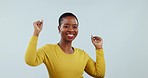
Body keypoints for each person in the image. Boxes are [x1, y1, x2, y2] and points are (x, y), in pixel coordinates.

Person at [25, 12, 105, 78]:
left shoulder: (82, 54)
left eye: (74, 27)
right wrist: (36, 33)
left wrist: (99, 48)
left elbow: (99, 74)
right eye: (66, 26)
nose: (71, 30)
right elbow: (30, 61)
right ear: (59, 29)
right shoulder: (48, 50)